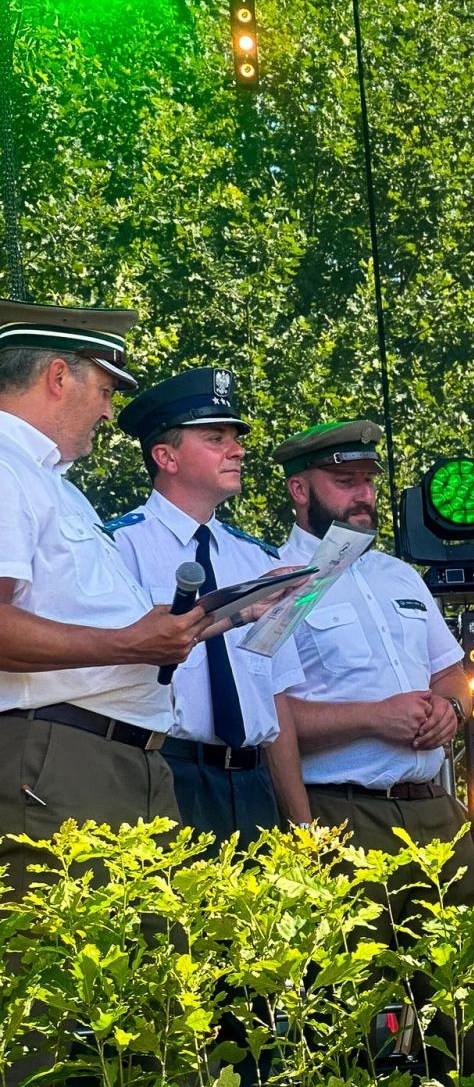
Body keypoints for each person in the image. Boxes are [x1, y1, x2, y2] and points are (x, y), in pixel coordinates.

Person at [272, 420, 474, 1074]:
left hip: (435, 813)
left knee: (469, 1010)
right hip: (344, 818)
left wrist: (450, 709)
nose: (363, 494)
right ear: (299, 489)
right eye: (345, 482)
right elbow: (267, 721)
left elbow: (452, 672)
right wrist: (374, 718)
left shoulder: (401, 575)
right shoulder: (274, 583)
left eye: (368, 479)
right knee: (361, 1023)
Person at [0, 302, 218, 889]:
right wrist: (128, 641)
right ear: (57, 376)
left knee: (151, 972)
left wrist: (180, 625)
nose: (108, 409)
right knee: (64, 969)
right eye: (105, 387)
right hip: (57, 756)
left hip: (119, 759)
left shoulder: (53, 485)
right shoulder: (4, 467)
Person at [110, 368, 312, 842]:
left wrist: (302, 826)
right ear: (166, 456)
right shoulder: (121, 547)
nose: (237, 450)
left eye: (235, 437)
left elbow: (276, 695)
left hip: (253, 781)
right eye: (215, 437)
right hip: (166, 772)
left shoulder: (259, 558)